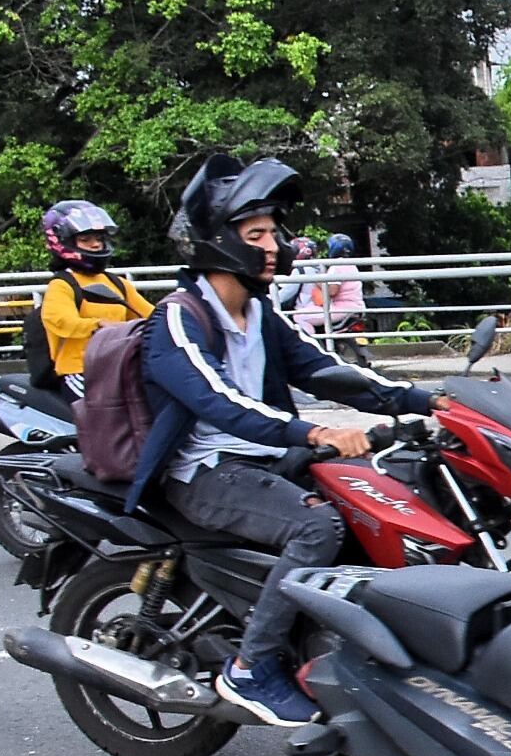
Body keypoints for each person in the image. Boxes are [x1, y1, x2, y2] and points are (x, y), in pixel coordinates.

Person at [130, 155, 437, 727]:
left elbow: (326, 371)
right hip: (205, 471)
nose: (276, 246)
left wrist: (428, 401)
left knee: (377, 493)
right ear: (220, 243)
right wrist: (316, 431)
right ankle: (251, 667)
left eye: (274, 232)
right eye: (257, 235)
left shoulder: (258, 313)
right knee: (317, 526)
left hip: (264, 457)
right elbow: (220, 403)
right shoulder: (178, 318)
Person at [33, 201, 152, 398]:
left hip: (118, 367)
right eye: (85, 239)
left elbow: (149, 314)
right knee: (105, 410)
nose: (95, 244)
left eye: (98, 238)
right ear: (65, 242)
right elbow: (61, 321)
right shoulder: (62, 284)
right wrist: (99, 325)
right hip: (80, 371)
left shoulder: (117, 283)